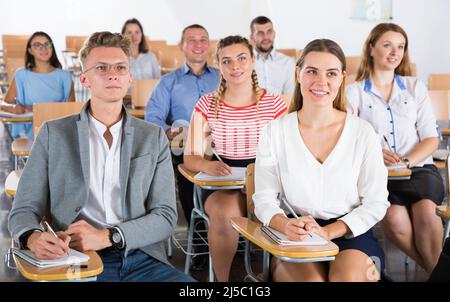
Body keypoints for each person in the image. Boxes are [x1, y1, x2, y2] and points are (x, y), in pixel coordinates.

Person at [8, 31, 194, 282]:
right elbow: (23, 208)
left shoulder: (153, 137)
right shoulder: (53, 133)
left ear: (129, 77)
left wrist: (109, 236)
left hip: (140, 257)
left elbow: (165, 216)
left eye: (120, 67)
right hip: (76, 258)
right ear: (84, 79)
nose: (112, 74)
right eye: (101, 68)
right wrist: (32, 236)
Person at [253, 39, 389, 282]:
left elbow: (376, 202)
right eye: (312, 71)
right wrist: (284, 225)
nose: (321, 81)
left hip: (350, 231)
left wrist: (328, 231)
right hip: (295, 232)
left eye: (331, 73)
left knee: (345, 279)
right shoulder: (274, 131)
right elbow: (263, 198)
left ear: (342, 78)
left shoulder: (362, 132)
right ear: (298, 74)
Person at [184, 35, 287, 281]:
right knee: (224, 211)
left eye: (241, 58)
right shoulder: (207, 104)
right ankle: (222, 281)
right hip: (224, 180)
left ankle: (270, 274)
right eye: (227, 61)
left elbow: (288, 154)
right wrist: (206, 164)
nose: (235, 66)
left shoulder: (274, 103)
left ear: (252, 60)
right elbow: (190, 157)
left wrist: (259, 182)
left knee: (273, 210)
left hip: (267, 179)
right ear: (218, 65)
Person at [346, 23, 444, 274]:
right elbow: (349, 138)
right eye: (387, 45)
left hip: (419, 170)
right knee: (394, 220)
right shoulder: (354, 92)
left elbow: (431, 139)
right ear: (371, 48)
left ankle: (437, 275)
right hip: (380, 174)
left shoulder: (414, 87)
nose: (395, 52)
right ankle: (439, 274)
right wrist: (377, 153)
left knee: (427, 213)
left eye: (400, 47)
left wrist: (406, 162)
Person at [145, 24, 220, 270]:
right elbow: (153, 117)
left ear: (209, 45)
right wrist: (170, 131)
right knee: (189, 177)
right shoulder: (169, 82)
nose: (199, 45)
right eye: (192, 40)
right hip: (187, 147)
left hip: (225, 145)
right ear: (181, 46)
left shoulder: (223, 77)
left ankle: (232, 236)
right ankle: (200, 243)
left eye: (203, 40)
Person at [3, 31, 75, 139]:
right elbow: (5, 103)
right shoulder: (21, 75)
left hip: (58, 133)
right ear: (30, 50)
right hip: (29, 136)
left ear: (52, 47)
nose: (43, 48)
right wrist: (13, 107)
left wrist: (38, 109)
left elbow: (71, 111)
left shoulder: (65, 77)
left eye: (47, 44)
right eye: (37, 45)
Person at [249, 16, 295, 96]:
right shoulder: (245, 62)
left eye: (269, 31)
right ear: (252, 37)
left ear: (274, 34)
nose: (266, 37)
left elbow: (290, 95)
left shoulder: (288, 62)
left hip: (280, 106)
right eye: (260, 33)